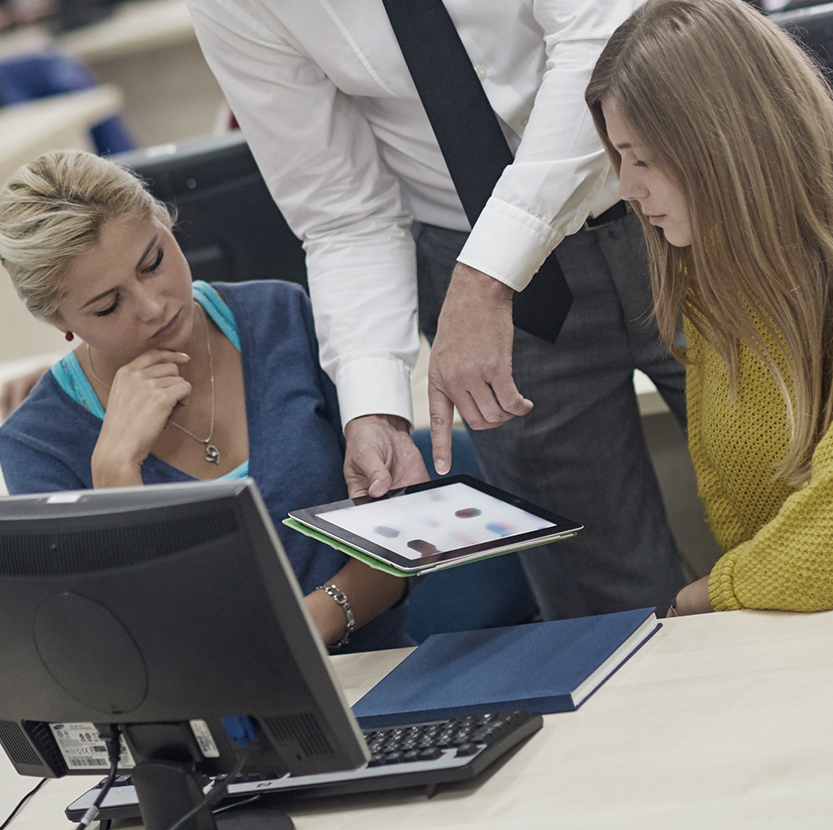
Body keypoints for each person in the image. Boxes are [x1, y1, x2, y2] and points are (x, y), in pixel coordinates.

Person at [183, 0, 688, 620]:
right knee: (605, 600)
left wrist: (488, 274)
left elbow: (603, 44)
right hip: (468, 255)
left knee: (784, 506)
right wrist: (374, 407)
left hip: (673, 198)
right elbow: (343, 214)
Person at [0, 149, 409, 650]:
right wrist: (115, 473)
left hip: (383, 668)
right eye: (108, 306)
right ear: (59, 320)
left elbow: (402, 526)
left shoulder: (281, 314)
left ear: (164, 221)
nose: (154, 306)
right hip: (203, 700)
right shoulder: (37, 444)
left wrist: (305, 627)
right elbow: (115, 648)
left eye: (153, 263)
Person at [585, 0, 833, 614]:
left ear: (727, 144)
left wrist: (711, 594)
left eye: (643, 157)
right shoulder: (717, 278)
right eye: (620, 156)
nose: (626, 188)